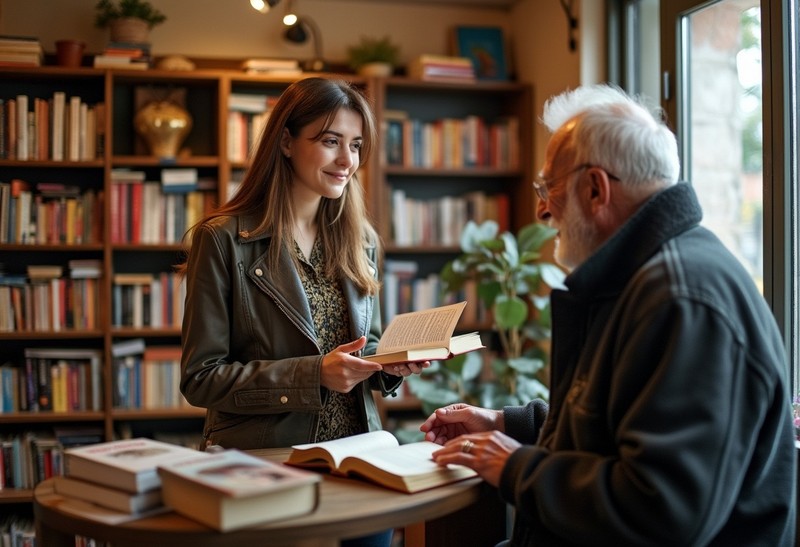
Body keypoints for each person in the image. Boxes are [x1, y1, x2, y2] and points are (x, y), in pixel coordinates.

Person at [421, 84, 797, 546]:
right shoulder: (641, 276)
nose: (541, 209)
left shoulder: (681, 299)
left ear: (595, 189)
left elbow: (662, 511)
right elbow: (615, 430)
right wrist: (508, 425)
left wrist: (515, 465)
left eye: (548, 188)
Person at [179, 77, 425, 547]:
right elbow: (201, 377)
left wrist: (386, 364)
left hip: (360, 461)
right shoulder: (223, 240)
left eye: (355, 145)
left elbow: (363, 347)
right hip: (269, 465)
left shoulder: (362, 241)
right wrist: (314, 374)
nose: (347, 161)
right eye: (330, 141)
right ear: (287, 142)